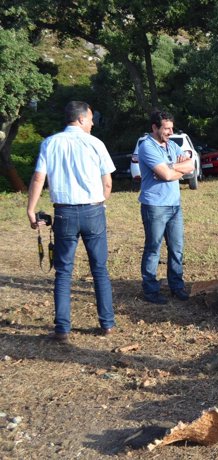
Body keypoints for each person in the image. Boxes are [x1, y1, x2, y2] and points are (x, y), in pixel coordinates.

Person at [26, 101, 116, 342]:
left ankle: (62, 328)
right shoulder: (96, 143)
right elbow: (107, 182)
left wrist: (31, 209)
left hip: (64, 212)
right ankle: (107, 324)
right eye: (90, 118)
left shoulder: (50, 143)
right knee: (99, 269)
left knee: (64, 272)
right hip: (93, 210)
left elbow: (38, 177)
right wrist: (100, 202)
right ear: (81, 119)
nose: (93, 122)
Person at [138, 110, 195, 304]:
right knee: (153, 248)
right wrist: (174, 170)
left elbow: (191, 166)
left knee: (177, 248)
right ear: (154, 127)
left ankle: (176, 287)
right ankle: (150, 291)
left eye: (171, 128)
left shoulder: (171, 145)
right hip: (154, 206)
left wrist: (171, 168)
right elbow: (167, 176)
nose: (170, 132)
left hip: (174, 205)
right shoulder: (147, 147)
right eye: (166, 128)